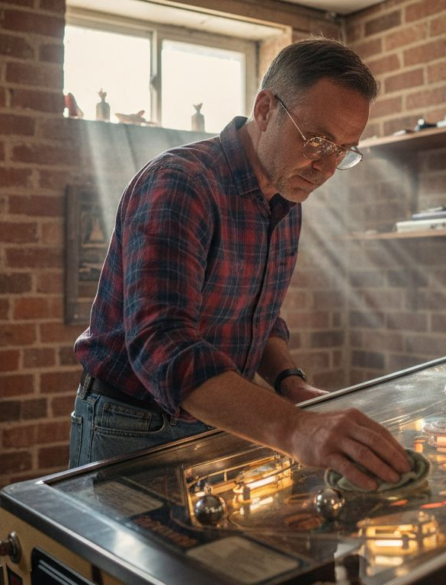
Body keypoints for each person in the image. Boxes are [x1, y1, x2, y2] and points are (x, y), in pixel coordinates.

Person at [70, 38, 410, 490]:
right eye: (317, 140)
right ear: (266, 108)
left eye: (344, 150)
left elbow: (257, 317)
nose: (327, 166)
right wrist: (296, 428)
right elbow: (162, 345)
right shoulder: (181, 182)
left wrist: (290, 384)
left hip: (220, 415)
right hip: (132, 424)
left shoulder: (287, 196)